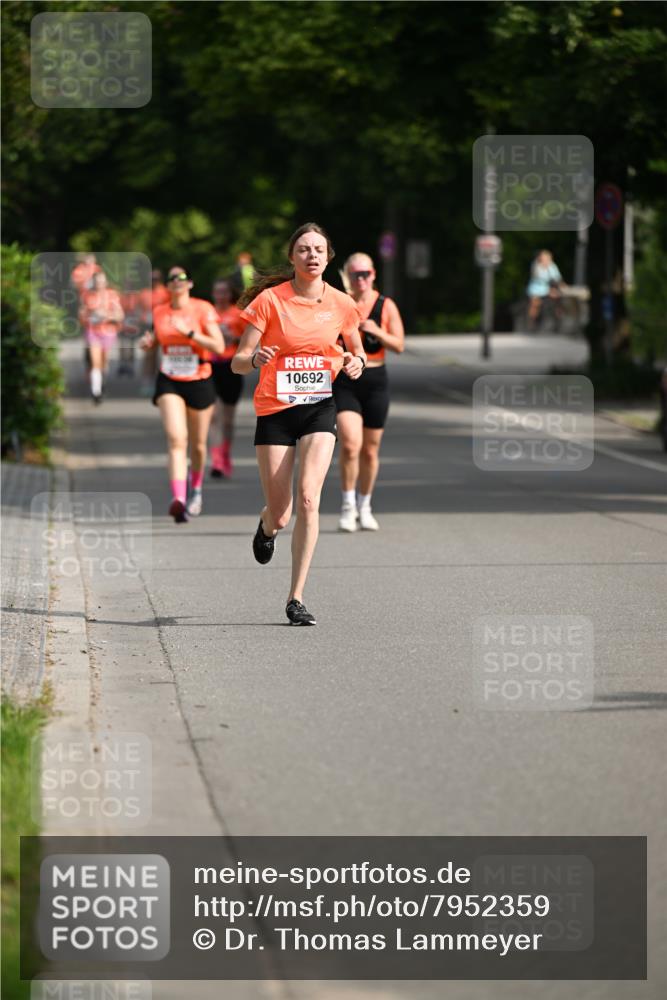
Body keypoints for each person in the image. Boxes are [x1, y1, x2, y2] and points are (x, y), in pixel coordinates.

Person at [232, 223, 366, 626]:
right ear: (292, 257)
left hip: (318, 408)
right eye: (304, 249)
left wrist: (356, 363)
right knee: (282, 512)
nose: (312, 256)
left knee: (309, 498)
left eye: (319, 250)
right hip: (275, 410)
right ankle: (267, 526)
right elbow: (238, 360)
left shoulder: (341, 303)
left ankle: (296, 598)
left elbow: (357, 352)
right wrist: (254, 359)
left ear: (328, 257)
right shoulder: (270, 301)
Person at [140, 266, 224, 522]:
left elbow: (219, 346)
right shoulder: (160, 311)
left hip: (199, 379)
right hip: (170, 380)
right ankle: (178, 498)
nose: (177, 281)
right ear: (167, 286)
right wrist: (148, 344)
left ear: (190, 284)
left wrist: (189, 333)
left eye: (182, 278)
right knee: (177, 439)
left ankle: (196, 490)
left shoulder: (202, 309)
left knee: (198, 445)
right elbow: (155, 342)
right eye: (172, 278)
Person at [334, 252, 405, 532]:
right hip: (346, 379)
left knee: (370, 450)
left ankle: (365, 506)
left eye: (365, 274)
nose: (361, 279)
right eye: (355, 274)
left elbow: (399, 345)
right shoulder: (340, 303)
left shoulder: (386, 305)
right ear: (348, 276)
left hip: (375, 379)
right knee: (350, 445)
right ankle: (347, 506)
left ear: (373, 274)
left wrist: (377, 330)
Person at [209, 279, 246, 477]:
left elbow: (250, 340)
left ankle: (225, 454)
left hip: (231, 367)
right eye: (218, 291)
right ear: (213, 294)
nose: (221, 295)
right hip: (210, 365)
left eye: (224, 292)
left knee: (228, 420)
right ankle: (216, 461)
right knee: (214, 416)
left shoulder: (238, 314)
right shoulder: (207, 312)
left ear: (230, 294)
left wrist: (235, 338)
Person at [78, 270, 124, 404]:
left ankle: (101, 382)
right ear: (93, 282)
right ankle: (96, 392)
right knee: (95, 361)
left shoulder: (112, 295)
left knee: (104, 362)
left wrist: (106, 315)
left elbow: (120, 315)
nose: (99, 284)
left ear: (106, 282)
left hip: (108, 332)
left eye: (102, 281)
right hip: (93, 332)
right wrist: (90, 317)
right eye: (97, 281)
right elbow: (82, 315)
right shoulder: (87, 296)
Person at [527, 250, 564, 329]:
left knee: (558, 299)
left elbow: (557, 278)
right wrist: (549, 290)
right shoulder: (536, 265)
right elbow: (539, 278)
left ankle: (558, 321)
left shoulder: (552, 266)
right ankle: (532, 322)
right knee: (535, 303)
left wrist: (560, 286)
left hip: (549, 288)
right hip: (536, 288)